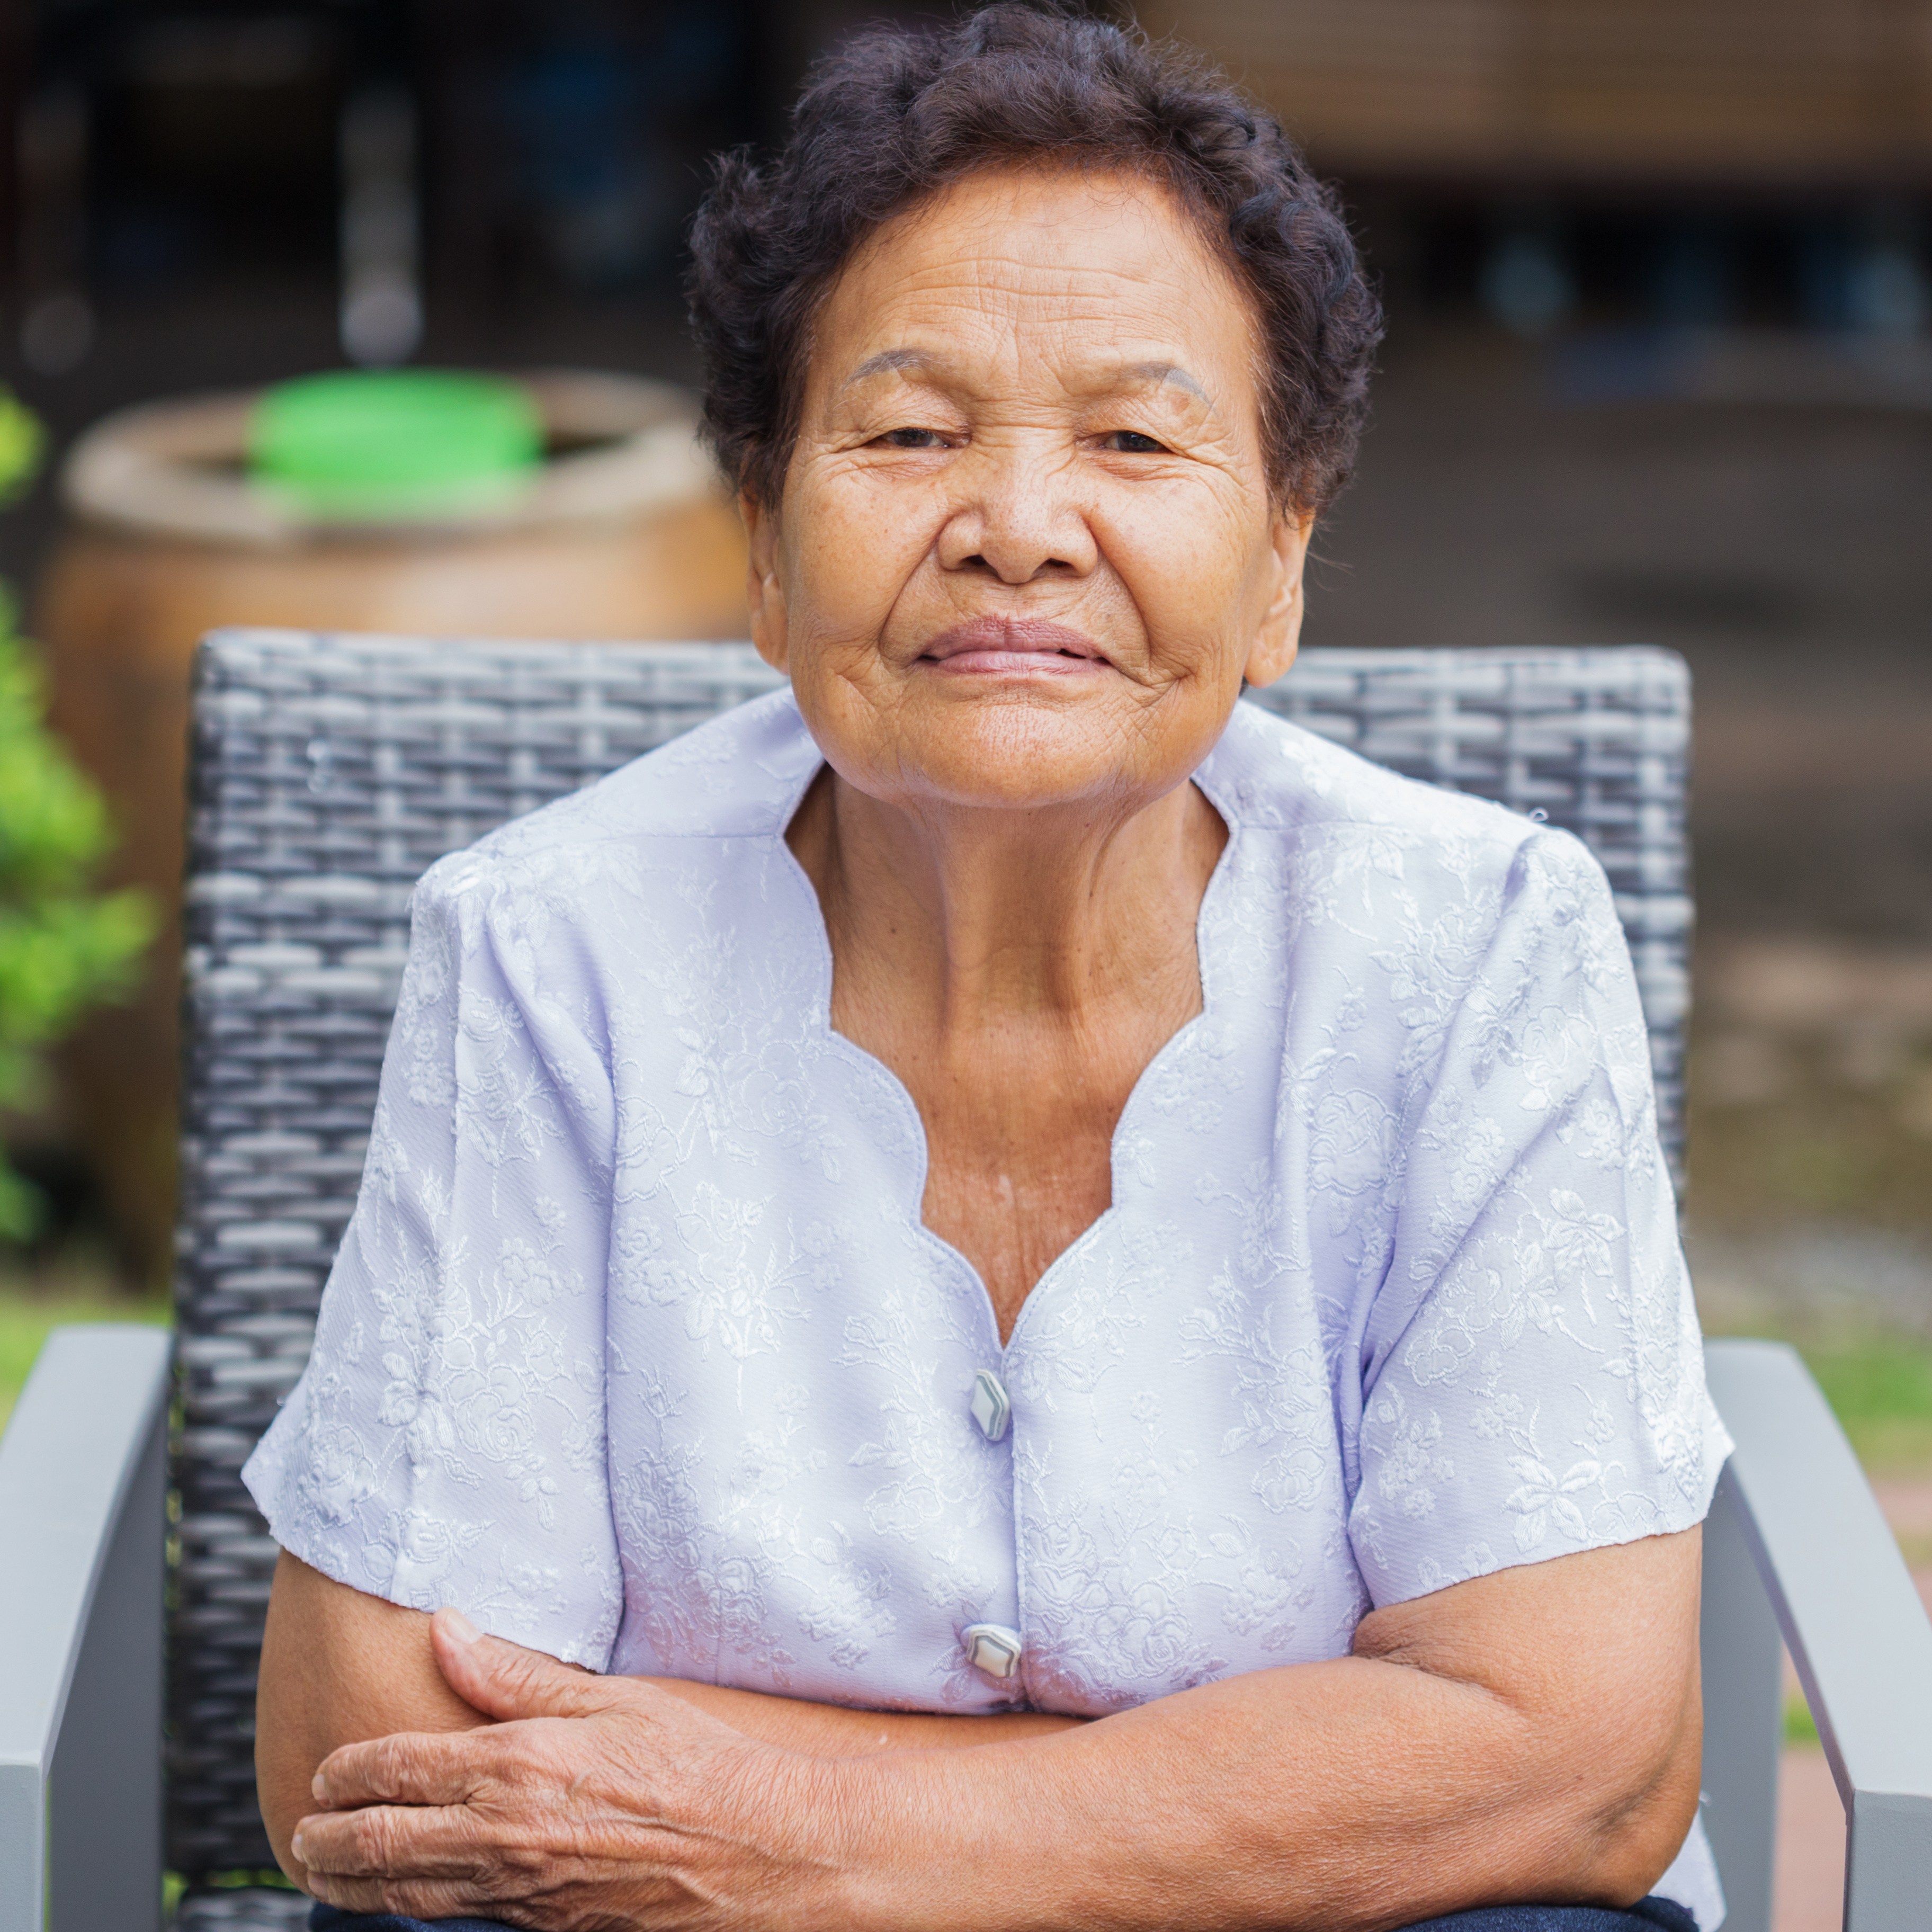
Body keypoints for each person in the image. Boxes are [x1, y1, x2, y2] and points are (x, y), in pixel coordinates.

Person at [244, 10, 1732, 1929]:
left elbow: (1585, 1763)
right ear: (767, 550)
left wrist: (801, 1840)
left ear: (1280, 559)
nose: (1020, 532)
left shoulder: (1479, 949)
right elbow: (378, 1762)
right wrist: (1306, 1780)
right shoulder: (549, 949)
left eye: (1131, 437)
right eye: (912, 432)